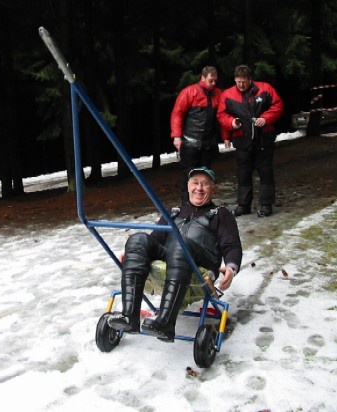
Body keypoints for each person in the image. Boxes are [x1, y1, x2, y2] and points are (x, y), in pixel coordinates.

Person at [108, 166, 242, 342]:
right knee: (138, 239)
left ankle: (166, 323)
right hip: (173, 256)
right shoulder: (173, 212)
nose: (199, 188)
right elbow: (155, 238)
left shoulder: (221, 215)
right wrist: (135, 252)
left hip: (202, 263)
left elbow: (232, 245)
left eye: (204, 184)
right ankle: (129, 317)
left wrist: (231, 267)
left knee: (181, 244)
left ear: (213, 188)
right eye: (195, 183)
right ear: (188, 186)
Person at [217, 65, 283, 218]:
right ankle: (243, 205)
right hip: (242, 139)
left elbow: (278, 105)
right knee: (243, 173)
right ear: (235, 80)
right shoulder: (228, 95)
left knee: (265, 171)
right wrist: (231, 123)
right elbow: (221, 115)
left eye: (244, 82)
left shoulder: (265, 89)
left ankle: (266, 205)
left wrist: (266, 118)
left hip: (264, 138)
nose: (241, 85)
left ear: (250, 79)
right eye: (238, 82)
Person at [170, 66, 224, 204]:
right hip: (190, 143)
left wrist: (226, 137)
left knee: (206, 176)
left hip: (208, 143)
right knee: (189, 175)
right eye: (210, 80)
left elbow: (222, 117)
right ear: (203, 78)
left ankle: (205, 203)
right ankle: (186, 205)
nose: (213, 83)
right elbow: (177, 114)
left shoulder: (218, 94)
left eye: (215, 80)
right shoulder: (189, 92)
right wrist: (177, 136)